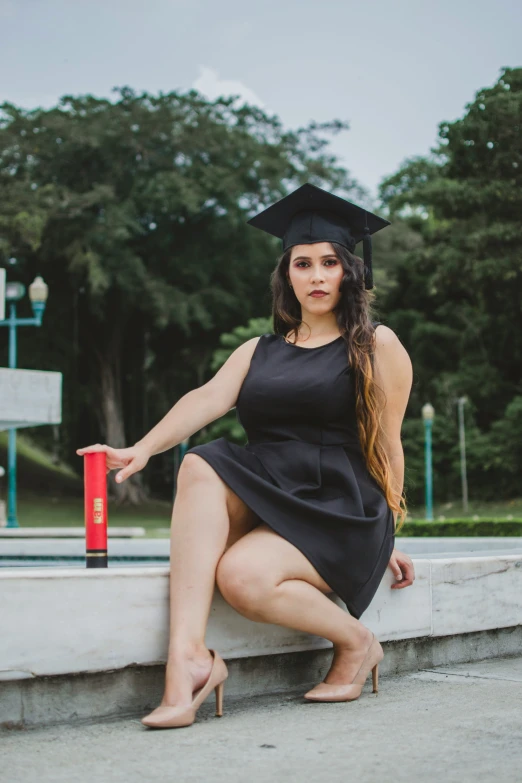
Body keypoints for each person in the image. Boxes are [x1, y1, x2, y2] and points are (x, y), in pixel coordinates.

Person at [77, 182, 415, 730]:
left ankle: (358, 643)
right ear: (286, 275)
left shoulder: (376, 345)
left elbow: (388, 442)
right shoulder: (259, 350)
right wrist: (138, 449)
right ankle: (187, 661)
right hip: (273, 492)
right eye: (302, 264)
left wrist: (390, 536)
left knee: (243, 577)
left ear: (350, 271)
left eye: (329, 262)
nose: (316, 276)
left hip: (339, 505)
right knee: (200, 462)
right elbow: (206, 399)